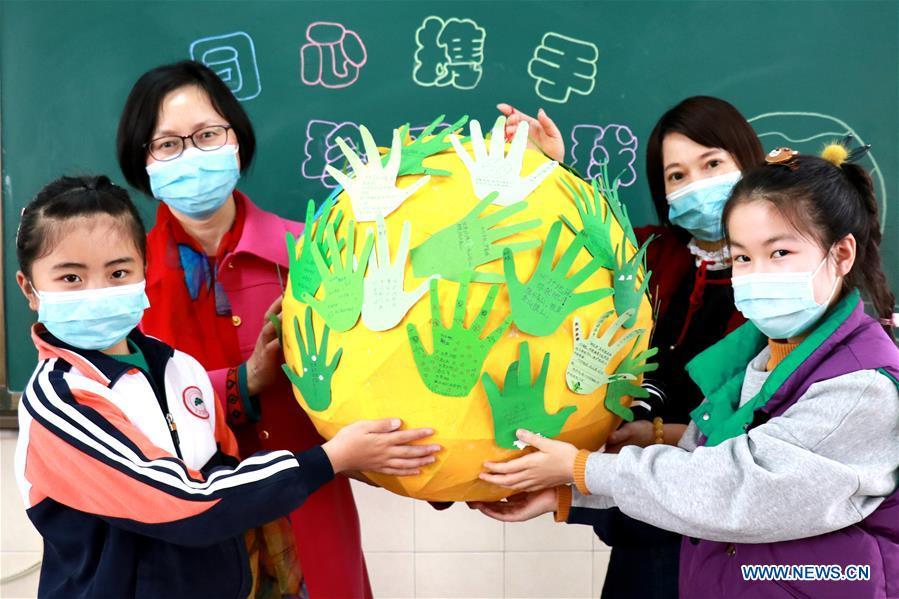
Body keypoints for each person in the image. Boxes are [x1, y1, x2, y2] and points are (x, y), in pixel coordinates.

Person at [473, 145, 899, 598]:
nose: (757, 275)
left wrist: (581, 469)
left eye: (779, 252)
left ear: (841, 254)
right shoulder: (757, 359)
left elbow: (734, 489)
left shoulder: (861, 386)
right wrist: (569, 495)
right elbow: (695, 471)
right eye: (742, 258)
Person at [13, 175, 440, 599]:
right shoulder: (59, 402)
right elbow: (188, 503)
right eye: (71, 278)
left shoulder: (180, 369)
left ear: (144, 270)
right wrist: (330, 458)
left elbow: (226, 472)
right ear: (29, 289)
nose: (98, 291)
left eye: (118, 272)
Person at [116, 60, 371, 596]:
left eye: (207, 134)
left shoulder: (313, 256)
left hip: (310, 518)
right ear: (143, 161)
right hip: (186, 536)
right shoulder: (122, 282)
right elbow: (122, 409)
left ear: (236, 138)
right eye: (168, 144)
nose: (192, 154)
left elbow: (379, 377)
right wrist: (244, 380)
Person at [494, 97, 765, 597]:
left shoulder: (784, 280)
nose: (697, 185)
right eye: (677, 176)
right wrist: (550, 171)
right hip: (642, 510)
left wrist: (660, 433)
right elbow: (576, 239)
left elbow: (770, 429)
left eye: (712, 164)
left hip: (739, 526)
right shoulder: (642, 255)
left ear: (748, 162)